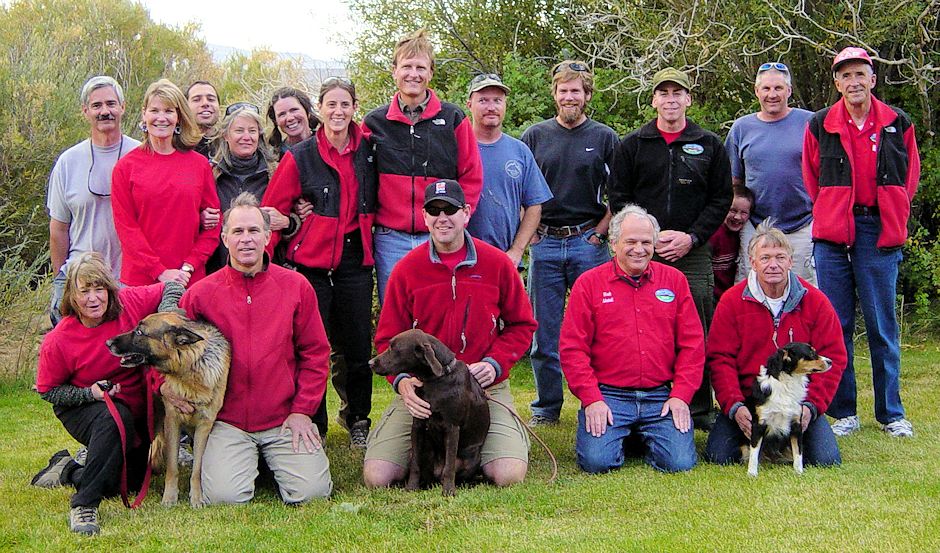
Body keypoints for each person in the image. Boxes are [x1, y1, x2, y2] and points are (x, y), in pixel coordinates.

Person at [363, 179, 537, 488]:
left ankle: (491, 444)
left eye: (451, 210)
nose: (443, 218)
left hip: (484, 388)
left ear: (466, 213)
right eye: (434, 210)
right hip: (424, 389)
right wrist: (402, 383)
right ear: (425, 216)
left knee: (508, 475)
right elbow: (386, 338)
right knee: (377, 477)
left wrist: (495, 364)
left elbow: (522, 326)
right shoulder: (407, 270)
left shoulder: (497, 263)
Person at [173, 192, 333, 504]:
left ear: (268, 236)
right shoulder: (199, 295)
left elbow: (315, 353)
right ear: (224, 238)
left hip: (283, 418)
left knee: (313, 493)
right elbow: (170, 353)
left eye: (253, 231)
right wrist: (170, 391)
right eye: (238, 232)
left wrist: (303, 412)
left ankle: (274, 461)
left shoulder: (296, 287)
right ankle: (243, 461)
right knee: (224, 497)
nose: (246, 240)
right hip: (225, 420)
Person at [802, 47, 920, 438]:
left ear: (872, 79)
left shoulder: (896, 121)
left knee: (882, 325)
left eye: (860, 75)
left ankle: (891, 413)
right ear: (837, 83)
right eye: (845, 76)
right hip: (833, 234)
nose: (853, 82)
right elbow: (811, 177)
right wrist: (833, 212)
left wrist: (893, 211)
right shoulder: (820, 124)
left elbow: (910, 177)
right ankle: (844, 412)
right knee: (837, 325)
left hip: (878, 229)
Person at [606, 67, 732, 428]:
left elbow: (721, 198)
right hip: (641, 252)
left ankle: (699, 410)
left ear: (688, 99)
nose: (670, 99)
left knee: (697, 330)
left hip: (692, 252)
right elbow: (619, 197)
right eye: (663, 93)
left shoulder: (709, 145)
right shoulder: (632, 145)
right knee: (643, 329)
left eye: (677, 92)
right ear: (653, 100)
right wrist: (648, 238)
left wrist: (691, 237)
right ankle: (649, 403)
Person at [262, 77, 378, 447]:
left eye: (345, 104)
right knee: (313, 348)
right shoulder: (301, 156)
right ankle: (315, 423)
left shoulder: (370, 150)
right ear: (320, 109)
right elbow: (272, 213)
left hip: (355, 258)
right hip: (310, 265)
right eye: (331, 105)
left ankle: (358, 418)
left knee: (358, 347)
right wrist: (264, 262)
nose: (338, 112)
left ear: (354, 107)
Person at [32, 252, 182, 535]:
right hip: (84, 407)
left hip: (136, 411)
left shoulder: (130, 304)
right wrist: (89, 394)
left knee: (124, 483)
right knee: (114, 420)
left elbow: (172, 285)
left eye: (99, 288)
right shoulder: (59, 340)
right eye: (84, 290)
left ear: (110, 290)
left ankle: (66, 469)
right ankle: (84, 505)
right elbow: (49, 391)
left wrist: (166, 318)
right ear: (71, 296)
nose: (93, 298)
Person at [559, 204, 703, 473]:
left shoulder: (675, 281)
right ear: (613, 244)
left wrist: (681, 396)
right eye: (631, 242)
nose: (639, 249)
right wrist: (592, 399)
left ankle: (636, 435)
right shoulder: (588, 284)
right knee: (596, 463)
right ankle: (626, 434)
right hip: (609, 395)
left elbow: (692, 346)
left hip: (660, 396)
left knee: (679, 463)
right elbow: (573, 349)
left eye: (646, 242)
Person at [521, 60, 618, 426]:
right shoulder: (535, 136)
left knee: (597, 330)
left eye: (576, 90)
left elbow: (619, 193)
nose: (569, 96)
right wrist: (528, 235)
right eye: (563, 90)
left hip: (587, 243)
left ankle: (598, 401)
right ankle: (547, 407)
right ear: (555, 95)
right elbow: (523, 193)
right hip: (545, 242)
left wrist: (599, 233)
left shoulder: (604, 138)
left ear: (587, 96)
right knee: (543, 333)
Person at [705, 222, 847, 466]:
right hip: (752, 401)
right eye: (765, 257)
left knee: (826, 459)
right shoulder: (731, 302)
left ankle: (787, 446)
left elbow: (834, 356)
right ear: (752, 261)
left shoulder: (816, 301)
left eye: (781, 257)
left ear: (791, 261)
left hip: (797, 403)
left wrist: (812, 407)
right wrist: (734, 405)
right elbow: (720, 359)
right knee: (719, 456)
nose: (773, 265)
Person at [362, 29, 483, 303]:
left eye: (420, 67)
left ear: (431, 73)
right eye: (406, 66)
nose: (413, 74)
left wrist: (458, 220)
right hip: (391, 238)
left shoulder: (453, 118)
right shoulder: (373, 123)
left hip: (443, 233)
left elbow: (471, 175)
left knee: (443, 309)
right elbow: (356, 177)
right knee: (397, 313)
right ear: (394, 71)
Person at [47, 76, 140, 327]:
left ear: (123, 107)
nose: (105, 111)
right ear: (85, 111)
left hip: (130, 280)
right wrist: (61, 280)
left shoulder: (142, 155)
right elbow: (58, 228)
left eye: (111, 103)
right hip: (82, 282)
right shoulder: (68, 162)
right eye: (97, 106)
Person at [111, 78, 221, 288]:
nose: (161, 118)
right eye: (154, 110)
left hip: (189, 281)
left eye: (169, 111)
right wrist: (159, 271)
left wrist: (189, 267)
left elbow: (213, 226)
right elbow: (126, 229)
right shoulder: (125, 168)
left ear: (179, 117)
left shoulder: (199, 166)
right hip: (140, 283)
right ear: (144, 114)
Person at [725, 62, 816, 283]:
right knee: (751, 289)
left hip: (802, 224)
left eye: (778, 88)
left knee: (803, 291)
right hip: (756, 225)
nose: (772, 95)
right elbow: (734, 180)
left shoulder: (811, 122)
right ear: (757, 92)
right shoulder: (741, 128)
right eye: (766, 89)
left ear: (789, 91)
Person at [464, 73, 552, 265]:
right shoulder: (456, 148)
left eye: (497, 100)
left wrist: (517, 250)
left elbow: (534, 206)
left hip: (507, 262)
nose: (491, 107)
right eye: (483, 100)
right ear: (469, 104)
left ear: (505, 105)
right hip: (463, 261)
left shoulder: (519, 151)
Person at [203, 102, 287, 274]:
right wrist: (200, 217)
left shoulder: (276, 173)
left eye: (252, 131)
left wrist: (288, 222)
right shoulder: (210, 174)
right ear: (226, 135)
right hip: (218, 272)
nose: (246, 137)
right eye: (239, 131)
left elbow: (299, 213)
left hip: (267, 272)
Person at [709, 186, 754, 303]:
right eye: (733, 210)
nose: (737, 217)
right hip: (713, 296)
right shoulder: (714, 235)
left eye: (743, 213)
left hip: (732, 294)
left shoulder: (744, 237)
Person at [266, 87, 318, 159]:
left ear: (307, 111)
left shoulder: (328, 144)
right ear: (276, 121)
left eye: (294, 110)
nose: (290, 118)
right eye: (282, 114)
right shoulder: (274, 159)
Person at [185, 81, 221, 158]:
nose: (205, 103)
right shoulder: (175, 145)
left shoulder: (230, 145)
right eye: (197, 100)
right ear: (185, 107)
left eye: (211, 99)